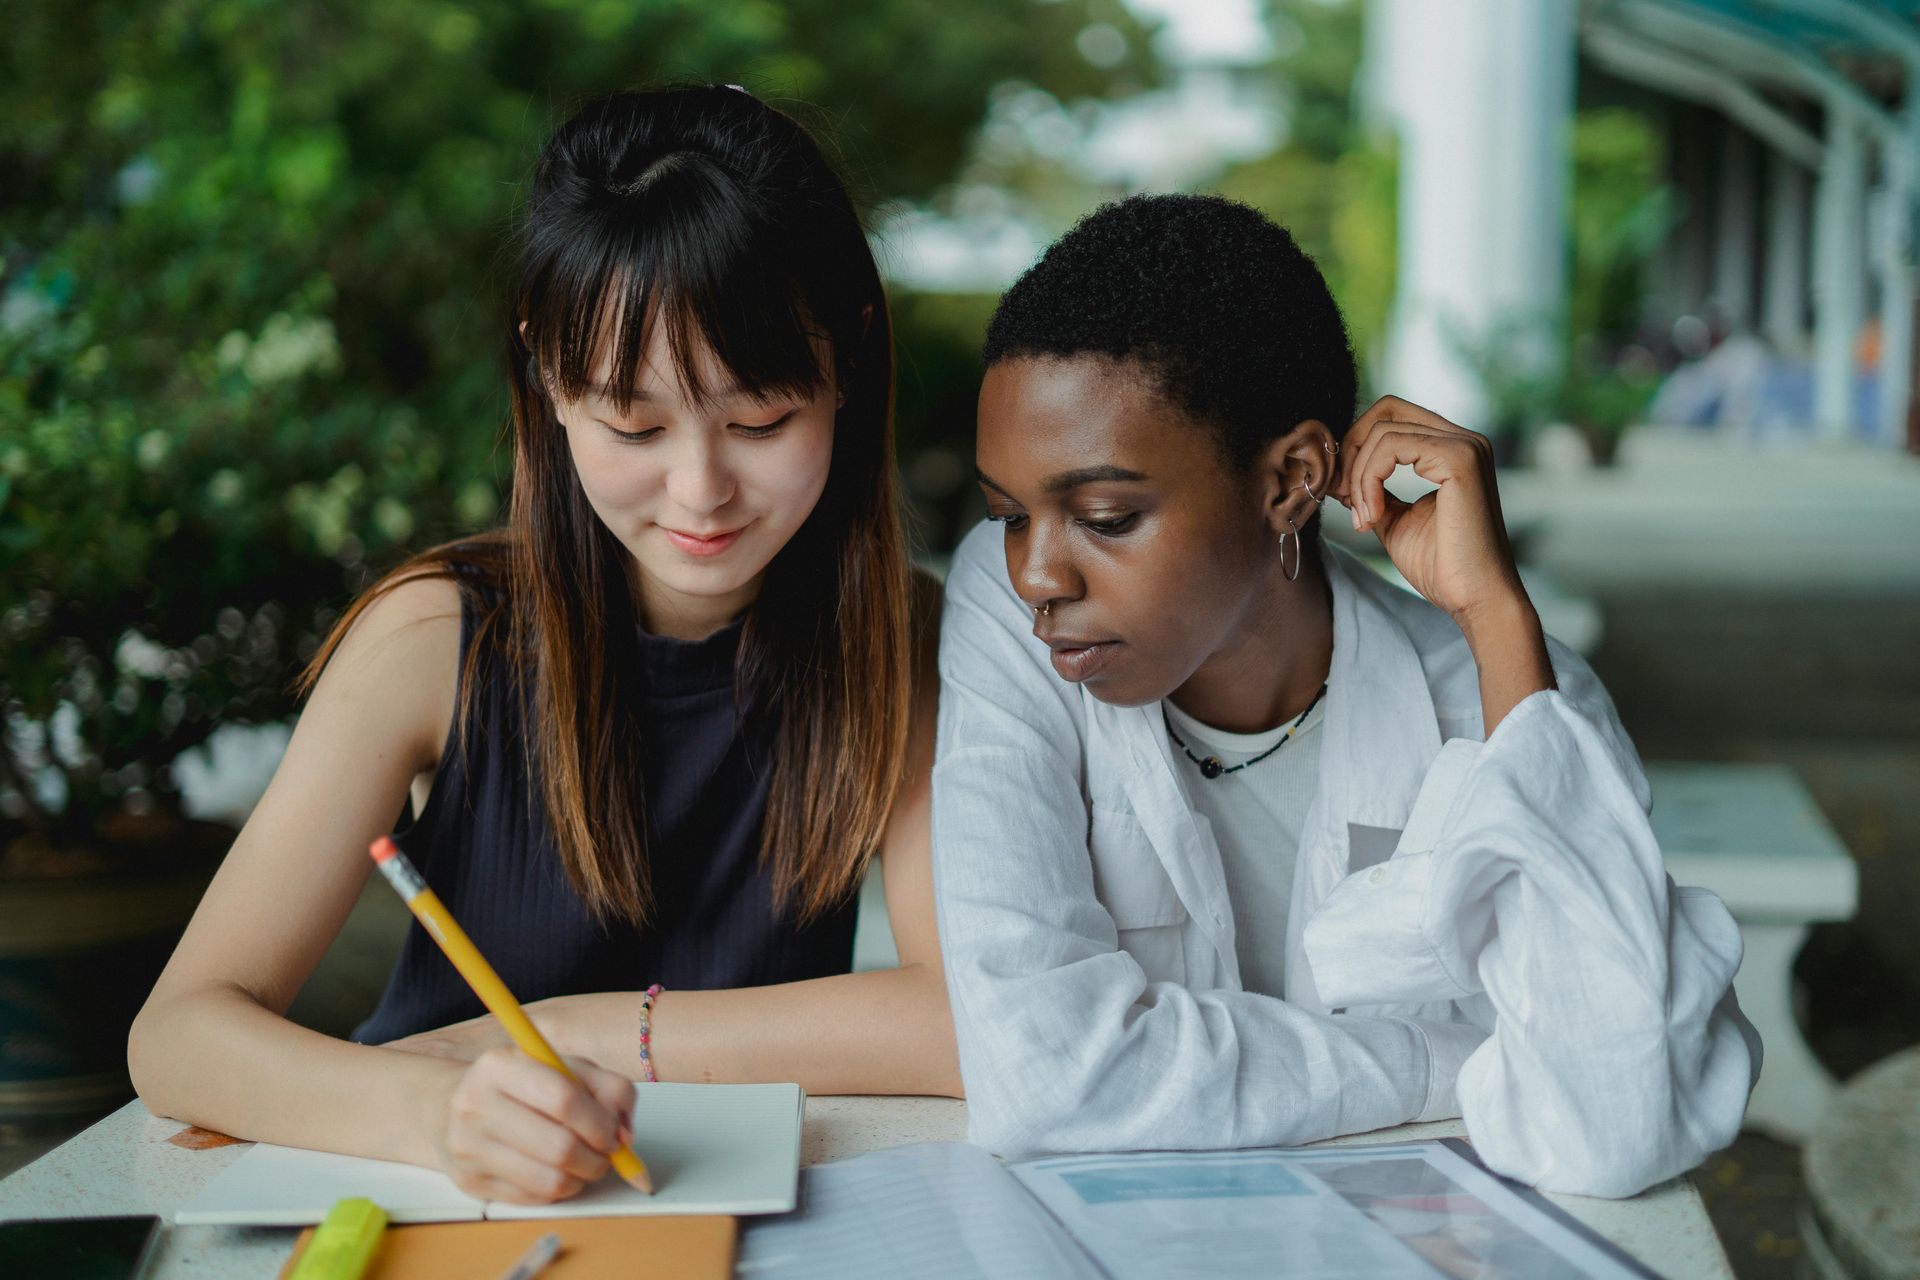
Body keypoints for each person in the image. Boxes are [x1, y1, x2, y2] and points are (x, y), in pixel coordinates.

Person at [130, 86, 958, 1207]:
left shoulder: (901, 640)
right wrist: (444, 1114)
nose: (700, 489)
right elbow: (179, 1036)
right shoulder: (437, 633)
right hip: (423, 1197)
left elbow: (967, 1021)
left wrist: (577, 1032)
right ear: (545, 373)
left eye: (761, 419)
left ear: (850, 361)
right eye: (633, 425)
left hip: (724, 1214)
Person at [930, 193, 1759, 1198]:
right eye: (1009, 513)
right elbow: (1045, 1079)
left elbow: (1616, 1125)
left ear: (1290, 481)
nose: (1037, 573)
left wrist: (1495, 611)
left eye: (1106, 515)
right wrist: (1453, 1061)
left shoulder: (1505, 701)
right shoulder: (1010, 615)